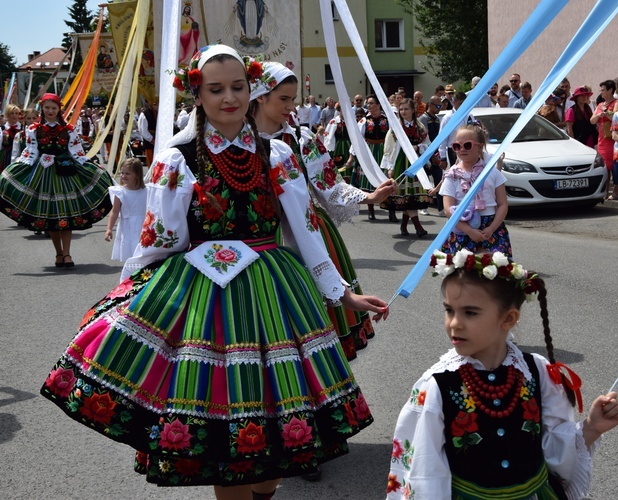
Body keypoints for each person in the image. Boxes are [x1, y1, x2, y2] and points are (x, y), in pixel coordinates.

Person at [40, 44, 388, 497]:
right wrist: (129, 291)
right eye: (216, 88)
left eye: (238, 87)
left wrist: (342, 294)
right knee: (226, 426)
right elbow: (160, 239)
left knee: (281, 425)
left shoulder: (278, 153)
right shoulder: (178, 156)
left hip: (276, 291)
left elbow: (305, 232)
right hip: (208, 297)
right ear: (197, 95)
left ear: (252, 88)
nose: (229, 97)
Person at [387, 249, 618, 499]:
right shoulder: (438, 384)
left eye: (470, 312)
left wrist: (591, 428)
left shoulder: (536, 370)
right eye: (449, 310)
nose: (454, 323)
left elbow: (553, 444)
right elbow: (423, 470)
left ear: (508, 318)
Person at [249, 60, 396, 360]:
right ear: (260, 96)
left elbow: (330, 185)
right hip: (257, 241)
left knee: (313, 323)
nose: (291, 107)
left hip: (307, 235)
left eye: (293, 100)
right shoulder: (236, 141)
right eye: (284, 99)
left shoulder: (300, 140)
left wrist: (370, 197)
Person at [0, 93, 113, 267]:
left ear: (59, 109)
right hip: (43, 175)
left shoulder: (68, 129)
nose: (50, 111)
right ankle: (58, 254)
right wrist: (16, 168)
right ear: (42, 109)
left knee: (66, 214)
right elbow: (30, 154)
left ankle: (67, 254)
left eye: (54, 108)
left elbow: (77, 153)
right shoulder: (33, 130)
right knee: (51, 217)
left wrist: (90, 166)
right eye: (47, 108)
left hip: (65, 173)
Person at [439, 124, 512, 257]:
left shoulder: (492, 173)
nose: (462, 150)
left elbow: (502, 204)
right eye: (457, 146)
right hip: (462, 228)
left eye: (467, 145)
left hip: (491, 227)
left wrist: (491, 228)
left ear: (480, 146)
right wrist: (469, 231)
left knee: (495, 270)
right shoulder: (452, 175)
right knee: (465, 272)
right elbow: (448, 209)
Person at [381, 98, 431, 237]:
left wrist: (418, 147)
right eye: (401, 109)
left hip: (415, 163)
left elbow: (428, 144)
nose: (403, 112)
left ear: (413, 110)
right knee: (407, 196)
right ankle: (418, 227)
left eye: (406, 109)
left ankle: (404, 226)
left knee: (410, 197)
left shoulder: (420, 127)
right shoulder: (396, 128)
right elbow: (389, 148)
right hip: (401, 163)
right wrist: (390, 166)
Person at [347, 94, 390, 220]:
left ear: (378, 105)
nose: (369, 106)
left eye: (371, 103)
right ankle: (371, 210)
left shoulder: (387, 120)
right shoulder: (364, 121)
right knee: (369, 180)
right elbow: (357, 140)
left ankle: (390, 210)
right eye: (368, 103)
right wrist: (352, 156)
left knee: (385, 178)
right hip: (369, 152)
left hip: (383, 151)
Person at [105, 157, 147, 261]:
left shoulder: (147, 191)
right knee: (130, 254)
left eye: (127, 174)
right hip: (127, 227)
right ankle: (130, 275)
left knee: (142, 254)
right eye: (122, 173)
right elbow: (114, 212)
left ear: (137, 174)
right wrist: (109, 228)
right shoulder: (120, 192)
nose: (123, 176)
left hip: (143, 225)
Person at [591, 79, 618, 199]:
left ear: (610, 90)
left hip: (613, 139)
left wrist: (606, 112)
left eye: (603, 90)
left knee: (616, 167)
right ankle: (605, 192)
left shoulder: (617, 102)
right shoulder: (600, 104)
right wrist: (599, 115)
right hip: (602, 140)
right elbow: (592, 120)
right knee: (605, 168)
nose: (601, 92)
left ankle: (615, 192)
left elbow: (616, 117)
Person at [419, 95, 445, 216]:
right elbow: (424, 138)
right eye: (438, 106)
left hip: (436, 152)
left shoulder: (437, 119)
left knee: (439, 179)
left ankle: (441, 208)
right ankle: (424, 206)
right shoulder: (423, 119)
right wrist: (430, 155)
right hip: (425, 153)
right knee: (425, 181)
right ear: (431, 105)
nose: (440, 108)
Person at [1, 104, 23, 171]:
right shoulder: (2, 129)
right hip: (5, 157)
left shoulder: (23, 128)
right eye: (12, 113)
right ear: (7, 115)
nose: (14, 115)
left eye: (16, 113)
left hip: (19, 156)